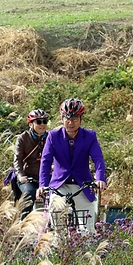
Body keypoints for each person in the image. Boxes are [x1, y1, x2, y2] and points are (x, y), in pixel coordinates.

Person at [37, 98, 108, 233]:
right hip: (60, 185)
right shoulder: (53, 136)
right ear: (62, 118)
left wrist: (100, 178)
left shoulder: (89, 136)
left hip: (83, 185)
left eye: (75, 119)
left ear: (81, 119)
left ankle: (88, 250)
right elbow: (46, 162)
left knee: (88, 226)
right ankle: (58, 246)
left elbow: (98, 158)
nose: (71, 123)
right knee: (57, 218)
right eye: (67, 118)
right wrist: (42, 185)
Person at [11, 109, 49, 219]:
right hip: (28, 177)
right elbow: (17, 159)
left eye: (44, 121)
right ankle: (23, 224)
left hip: (46, 177)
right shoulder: (23, 138)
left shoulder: (50, 137)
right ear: (31, 124)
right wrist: (21, 175)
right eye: (38, 122)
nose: (42, 125)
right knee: (29, 192)